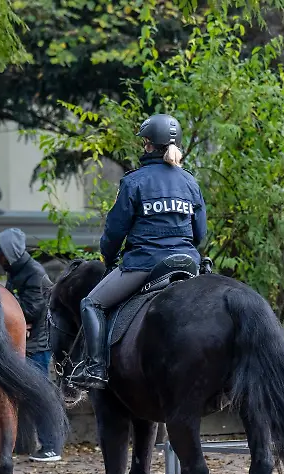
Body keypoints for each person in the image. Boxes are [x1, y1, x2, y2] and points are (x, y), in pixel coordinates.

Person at [68, 113, 207, 389]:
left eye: (145, 142)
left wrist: (108, 258)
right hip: (188, 264)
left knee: (91, 303)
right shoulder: (190, 181)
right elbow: (200, 234)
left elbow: (115, 231)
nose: (143, 147)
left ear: (150, 146)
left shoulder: (134, 182)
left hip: (146, 264)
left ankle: (95, 368)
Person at [0, 227, 63, 462]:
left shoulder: (32, 273)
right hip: (22, 340)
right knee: (3, 390)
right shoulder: (18, 270)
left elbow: (31, 310)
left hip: (36, 345)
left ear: (9, 253)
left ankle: (51, 446)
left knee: (38, 394)